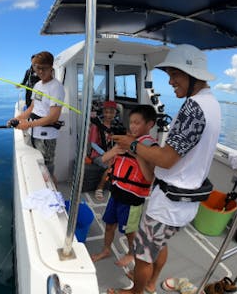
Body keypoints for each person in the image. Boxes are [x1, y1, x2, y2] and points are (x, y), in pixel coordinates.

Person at [108, 44, 221, 294]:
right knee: (159, 243)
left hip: (169, 203)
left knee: (144, 254)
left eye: (175, 74)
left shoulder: (194, 107)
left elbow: (167, 159)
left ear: (193, 75)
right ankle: (148, 281)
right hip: (185, 201)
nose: (170, 82)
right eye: (169, 74)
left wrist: (132, 145)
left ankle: (135, 291)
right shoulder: (212, 104)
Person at [91, 105, 157, 266]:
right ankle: (106, 249)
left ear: (150, 125)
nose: (133, 126)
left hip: (132, 199)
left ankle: (131, 253)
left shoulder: (150, 147)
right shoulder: (125, 141)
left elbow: (149, 178)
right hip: (116, 193)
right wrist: (115, 151)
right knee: (109, 225)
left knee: (129, 231)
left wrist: (137, 154)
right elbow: (105, 159)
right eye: (131, 122)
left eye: (137, 123)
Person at [8, 51, 65, 177]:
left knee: (47, 173)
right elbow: (32, 108)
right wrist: (16, 119)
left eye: (42, 68)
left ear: (51, 67)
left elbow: (53, 117)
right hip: (33, 133)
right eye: (36, 67)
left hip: (46, 138)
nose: (39, 71)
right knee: (34, 167)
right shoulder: (38, 85)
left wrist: (28, 125)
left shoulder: (56, 87)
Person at [84, 100, 118, 195]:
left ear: (115, 113)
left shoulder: (116, 126)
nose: (109, 115)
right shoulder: (97, 125)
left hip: (112, 153)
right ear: (103, 112)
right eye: (106, 112)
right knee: (111, 166)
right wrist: (105, 154)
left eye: (111, 112)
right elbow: (93, 144)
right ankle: (100, 187)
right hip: (97, 155)